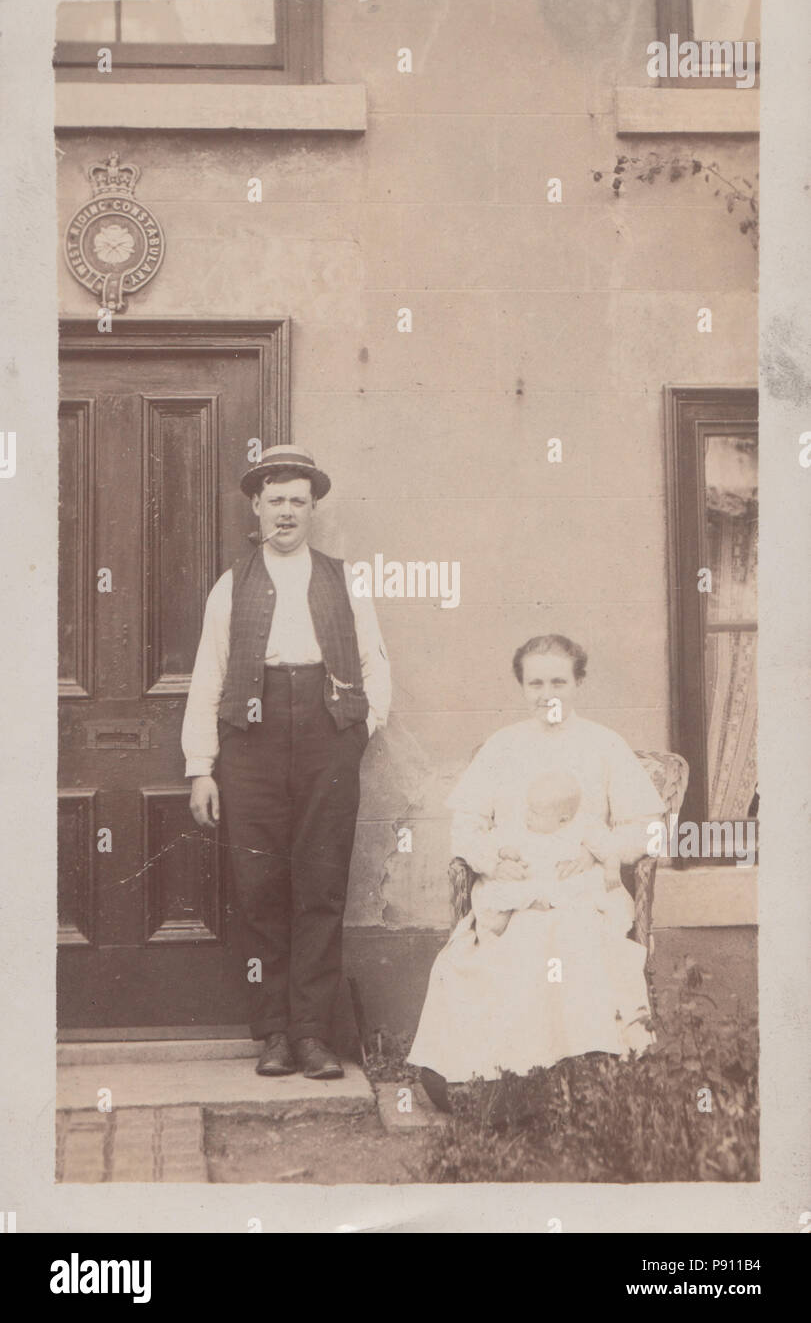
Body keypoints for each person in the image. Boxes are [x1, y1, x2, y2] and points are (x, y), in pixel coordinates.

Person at [182, 445, 391, 1079]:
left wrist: (359, 728)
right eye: (276, 500)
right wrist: (201, 767)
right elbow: (207, 678)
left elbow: (377, 664)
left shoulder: (341, 580)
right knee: (259, 889)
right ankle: (273, 1032)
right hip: (252, 738)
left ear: (313, 508)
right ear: (257, 505)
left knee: (321, 886)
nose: (287, 512)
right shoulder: (232, 585)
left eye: (299, 500)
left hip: (328, 735)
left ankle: (312, 1035)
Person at [409, 633, 665, 1099]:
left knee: (570, 938)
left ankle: (579, 1074)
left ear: (579, 683)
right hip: (515, 889)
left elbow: (648, 828)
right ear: (521, 687)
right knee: (501, 947)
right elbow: (466, 826)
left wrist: (601, 848)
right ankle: (504, 1082)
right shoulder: (502, 746)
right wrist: (491, 860)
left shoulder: (604, 745)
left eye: (559, 682)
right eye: (535, 684)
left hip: (582, 887)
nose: (547, 694)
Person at [471, 770, 633, 938]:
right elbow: (496, 840)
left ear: (563, 819)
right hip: (531, 875)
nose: (528, 815)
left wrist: (612, 868)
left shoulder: (582, 825)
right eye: (529, 808)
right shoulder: (521, 824)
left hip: (564, 878)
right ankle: (502, 923)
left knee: (595, 899)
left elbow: (607, 846)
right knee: (500, 900)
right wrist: (504, 851)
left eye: (536, 813)